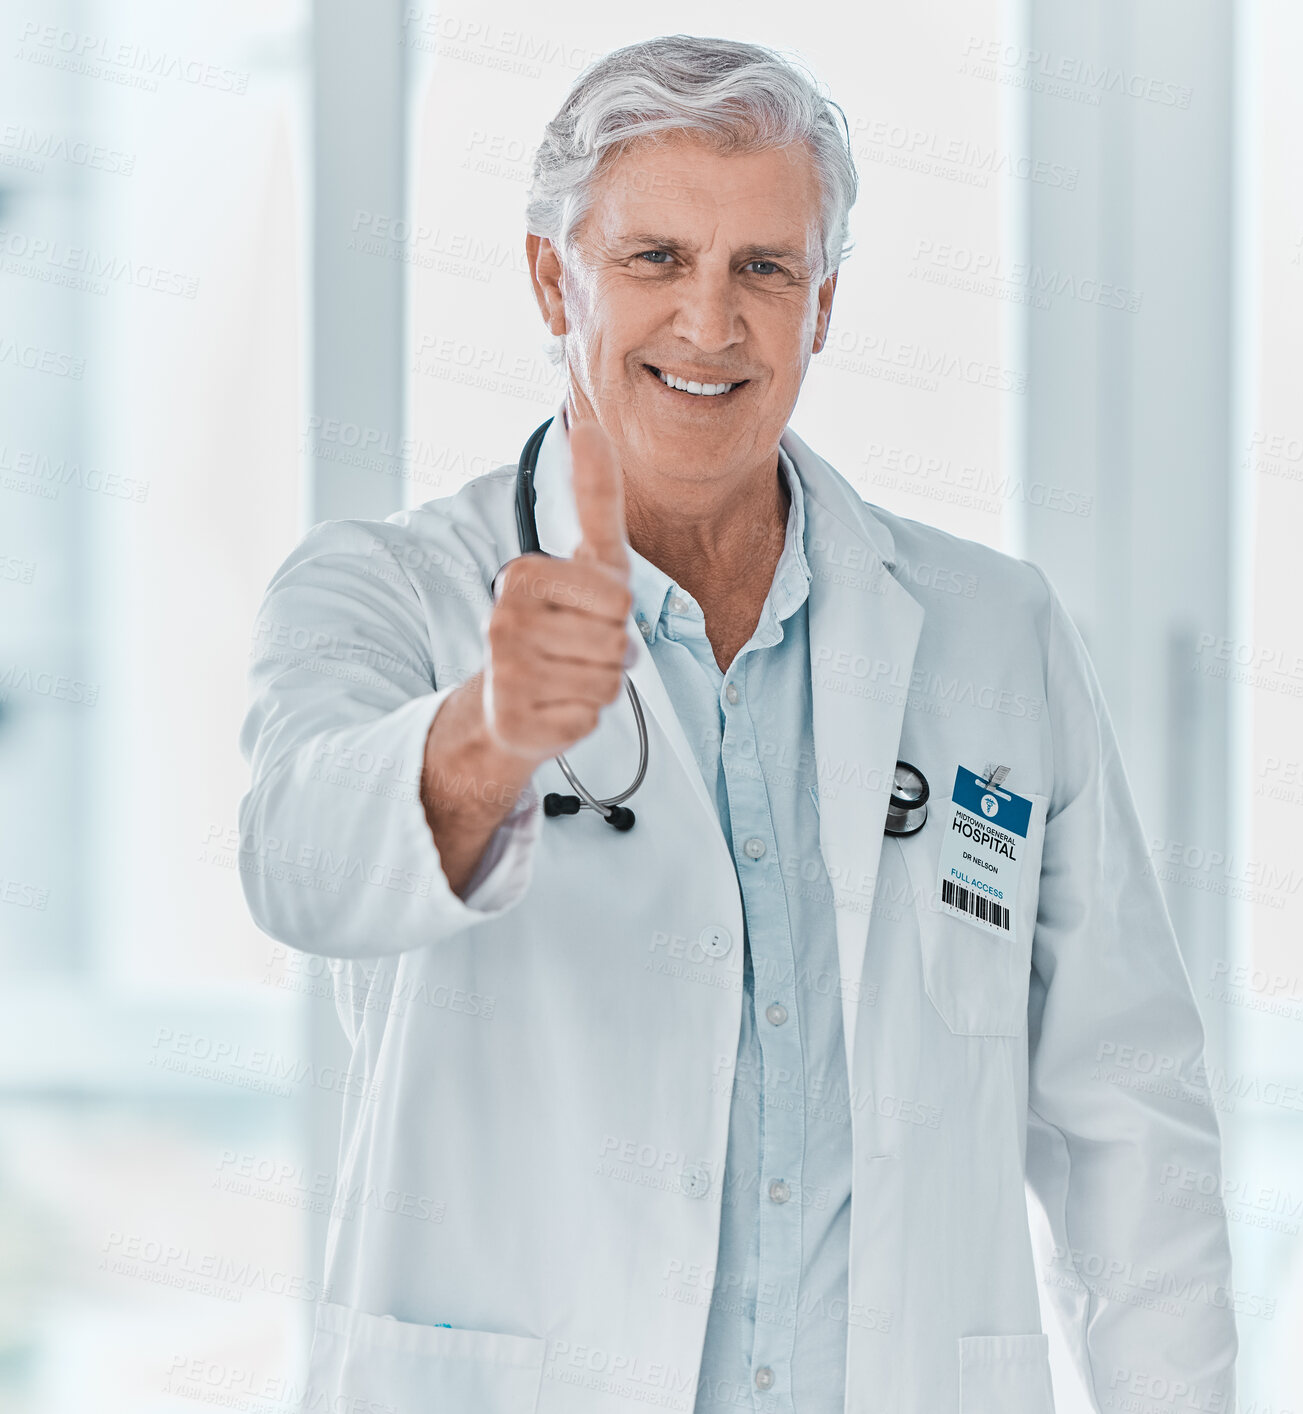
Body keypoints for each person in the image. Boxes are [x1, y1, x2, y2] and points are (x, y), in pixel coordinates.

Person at [238, 33, 1239, 1414]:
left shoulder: (992, 633)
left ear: (821, 304)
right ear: (553, 276)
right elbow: (295, 857)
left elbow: (1128, 1111)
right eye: (653, 258)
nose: (710, 324)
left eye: (763, 268)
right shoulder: (388, 592)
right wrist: (488, 729)